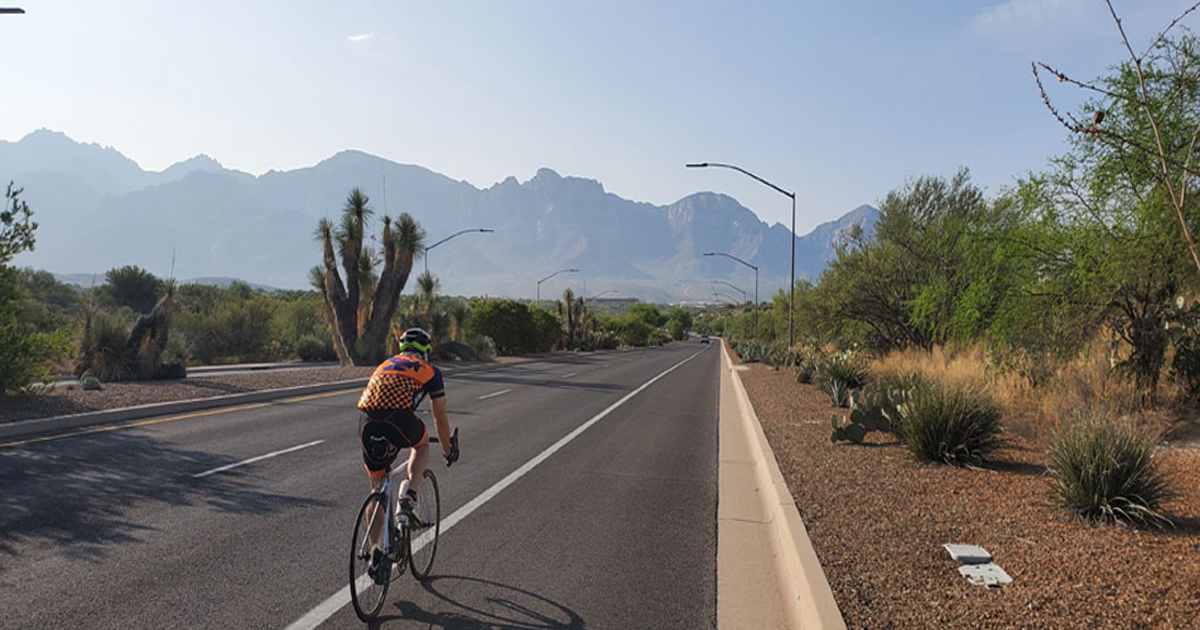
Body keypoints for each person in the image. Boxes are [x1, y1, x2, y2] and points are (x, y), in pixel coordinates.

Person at [357, 328, 456, 567]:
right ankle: (409, 498)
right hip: (398, 419)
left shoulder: (385, 364)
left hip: (366, 422)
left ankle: (375, 553)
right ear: (426, 351)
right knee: (421, 444)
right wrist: (447, 449)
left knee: (377, 487)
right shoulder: (430, 371)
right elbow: (440, 418)